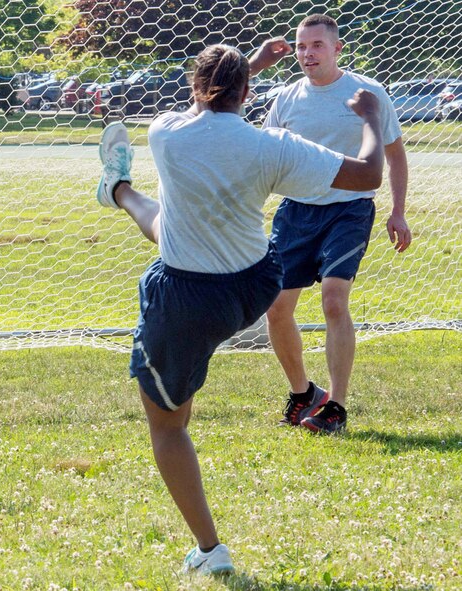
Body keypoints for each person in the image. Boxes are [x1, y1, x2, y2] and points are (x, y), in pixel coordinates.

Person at [95, 42, 385, 575]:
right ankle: (116, 188)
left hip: (188, 297)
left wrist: (244, 68)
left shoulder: (166, 133)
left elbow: (202, 111)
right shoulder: (272, 146)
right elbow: (369, 176)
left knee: (168, 426)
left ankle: (210, 554)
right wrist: (371, 116)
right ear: (249, 95)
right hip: (255, 284)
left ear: (195, 88)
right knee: (167, 225)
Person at [263, 14, 412, 434]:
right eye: (300, 47)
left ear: (337, 49)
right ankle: (302, 395)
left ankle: (336, 408)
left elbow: (395, 155)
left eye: (317, 45)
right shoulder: (286, 98)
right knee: (276, 307)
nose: (307, 54)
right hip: (297, 211)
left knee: (333, 298)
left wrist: (397, 210)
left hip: (349, 209)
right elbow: (266, 152)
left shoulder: (367, 93)